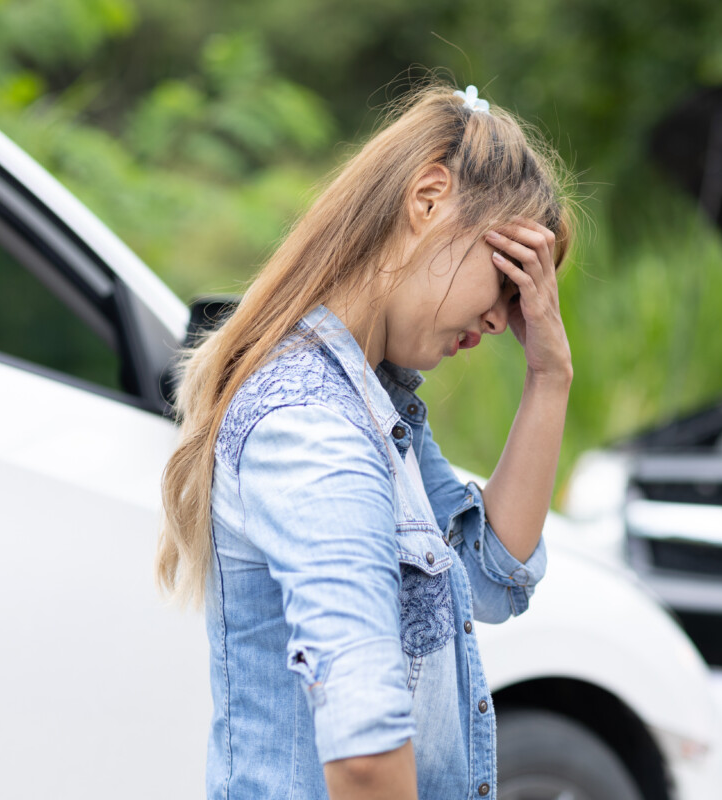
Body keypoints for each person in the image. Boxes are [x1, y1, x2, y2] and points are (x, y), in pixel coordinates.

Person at [155, 83, 574, 800]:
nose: (506, 320)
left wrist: (550, 377)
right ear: (429, 198)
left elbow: (491, 577)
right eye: (507, 277)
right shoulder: (313, 423)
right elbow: (365, 752)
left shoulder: (379, 407)